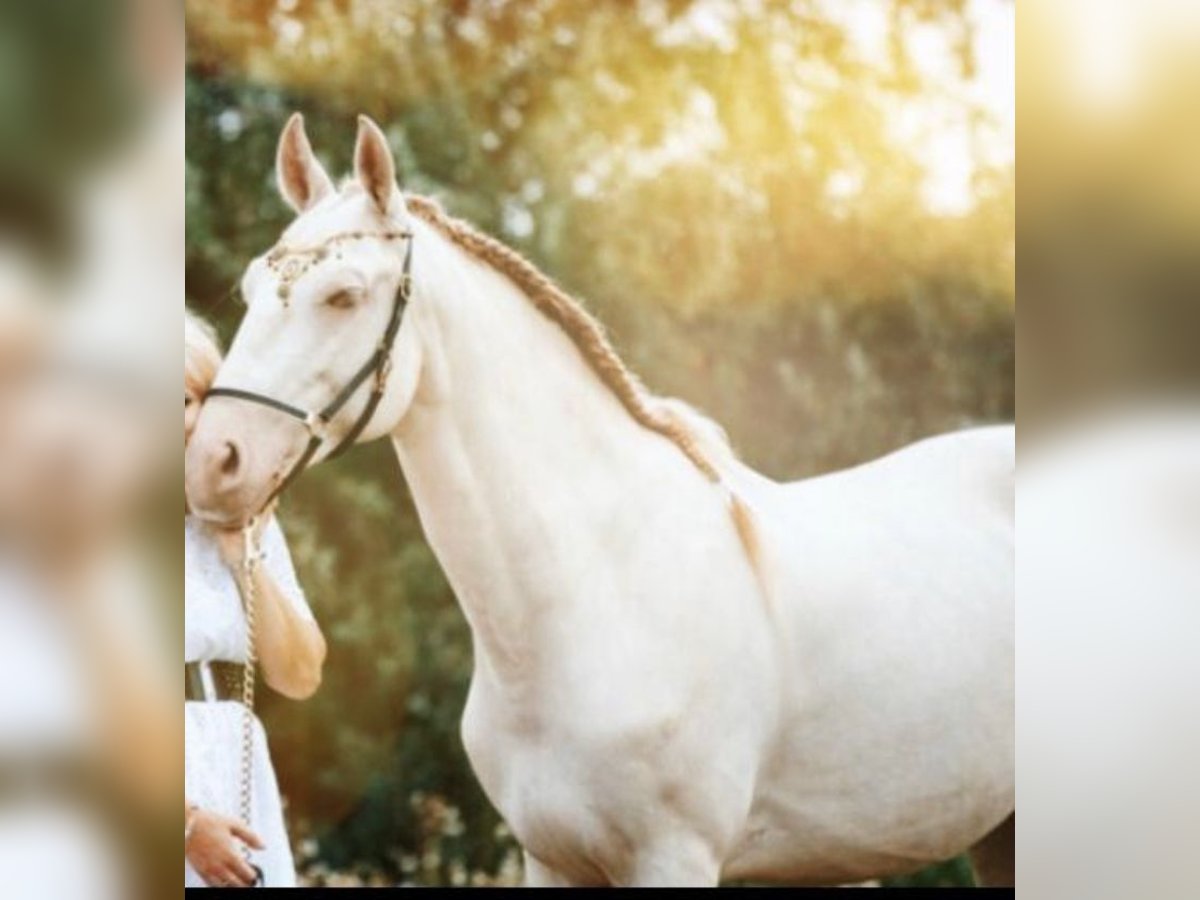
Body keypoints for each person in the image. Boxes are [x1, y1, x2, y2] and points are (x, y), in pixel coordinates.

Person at [184, 311, 326, 888]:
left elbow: (298, 674)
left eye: (183, 401)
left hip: (233, 764)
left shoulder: (248, 521)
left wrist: (241, 555)